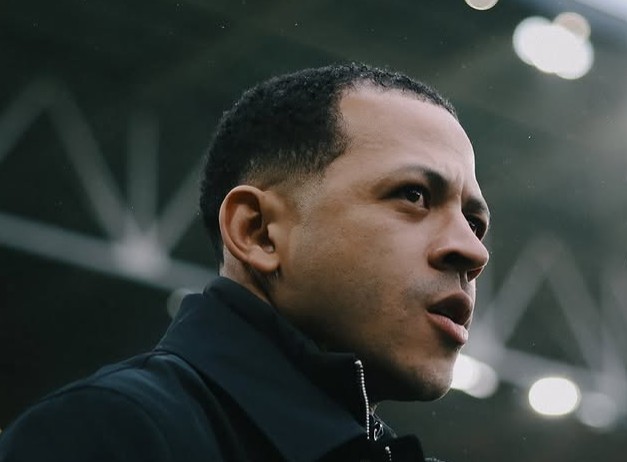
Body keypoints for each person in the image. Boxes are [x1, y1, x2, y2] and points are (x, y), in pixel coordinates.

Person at [0, 63, 490, 461]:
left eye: (474, 222)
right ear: (257, 232)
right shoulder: (112, 434)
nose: (473, 251)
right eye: (414, 195)